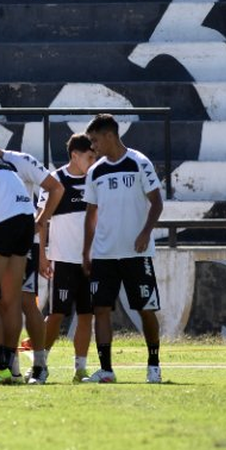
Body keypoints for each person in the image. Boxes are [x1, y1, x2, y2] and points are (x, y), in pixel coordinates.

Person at [0, 123, 63, 384]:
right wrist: (36, 224)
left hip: (3, 227)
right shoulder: (1, 167)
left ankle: (7, 366)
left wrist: (42, 223)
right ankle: (13, 369)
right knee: (10, 301)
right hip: (22, 226)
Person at [81, 114, 164, 384]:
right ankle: (106, 370)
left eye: (95, 140)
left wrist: (145, 232)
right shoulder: (96, 171)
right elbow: (90, 214)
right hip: (104, 254)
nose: (93, 146)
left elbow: (157, 203)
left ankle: (154, 364)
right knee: (101, 309)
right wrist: (86, 251)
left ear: (109, 136)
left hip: (136, 253)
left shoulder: (139, 163)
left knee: (146, 308)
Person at [39, 133, 97, 384]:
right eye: (90, 156)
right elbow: (41, 222)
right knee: (56, 315)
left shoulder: (97, 180)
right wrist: (42, 256)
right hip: (63, 260)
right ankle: (40, 366)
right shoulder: (56, 182)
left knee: (87, 315)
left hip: (92, 262)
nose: (94, 161)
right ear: (75, 155)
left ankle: (80, 369)